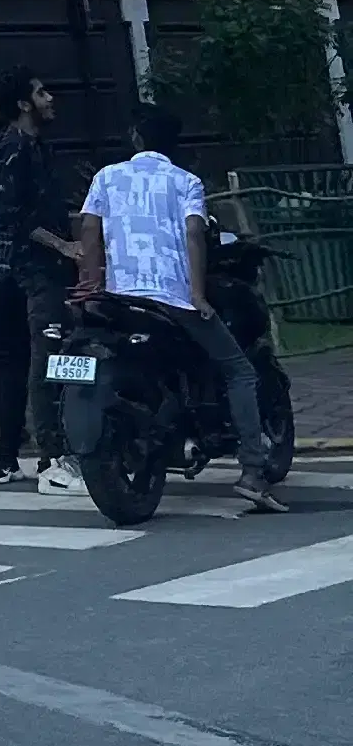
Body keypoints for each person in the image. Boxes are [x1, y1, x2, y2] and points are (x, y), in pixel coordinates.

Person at [78, 109, 286, 510]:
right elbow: (194, 231)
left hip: (120, 298)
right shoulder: (185, 181)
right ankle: (253, 473)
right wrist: (197, 294)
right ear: (174, 145)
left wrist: (92, 281)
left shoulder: (107, 176)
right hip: (171, 299)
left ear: (136, 138)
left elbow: (89, 227)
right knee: (239, 370)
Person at [0, 72, 82, 491]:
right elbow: (15, 219)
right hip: (35, 269)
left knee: (56, 355)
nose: (50, 98)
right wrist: (64, 247)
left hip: (50, 269)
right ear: (23, 104)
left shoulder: (36, 148)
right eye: (41, 92)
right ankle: (51, 460)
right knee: (44, 359)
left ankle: (57, 449)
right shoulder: (14, 151)